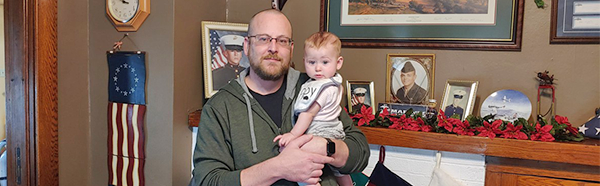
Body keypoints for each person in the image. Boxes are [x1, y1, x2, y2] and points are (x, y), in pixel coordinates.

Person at [192, 9, 370, 186]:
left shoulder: (314, 86)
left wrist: (327, 147)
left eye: (282, 41)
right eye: (263, 39)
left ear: (291, 49)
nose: (273, 48)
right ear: (246, 45)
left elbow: (360, 152)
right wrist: (278, 168)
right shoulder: (220, 107)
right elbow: (206, 181)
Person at [273, 31, 352, 186]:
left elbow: (308, 114)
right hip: (335, 130)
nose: (317, 68)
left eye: (324, 62)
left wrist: (293, 134)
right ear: (304, 61)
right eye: (311, 62)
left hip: (321, 132)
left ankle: (309, 183)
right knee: (340, 171)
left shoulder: (323, 88)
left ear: (339, 62)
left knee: (297, 158)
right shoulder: (334, 83)